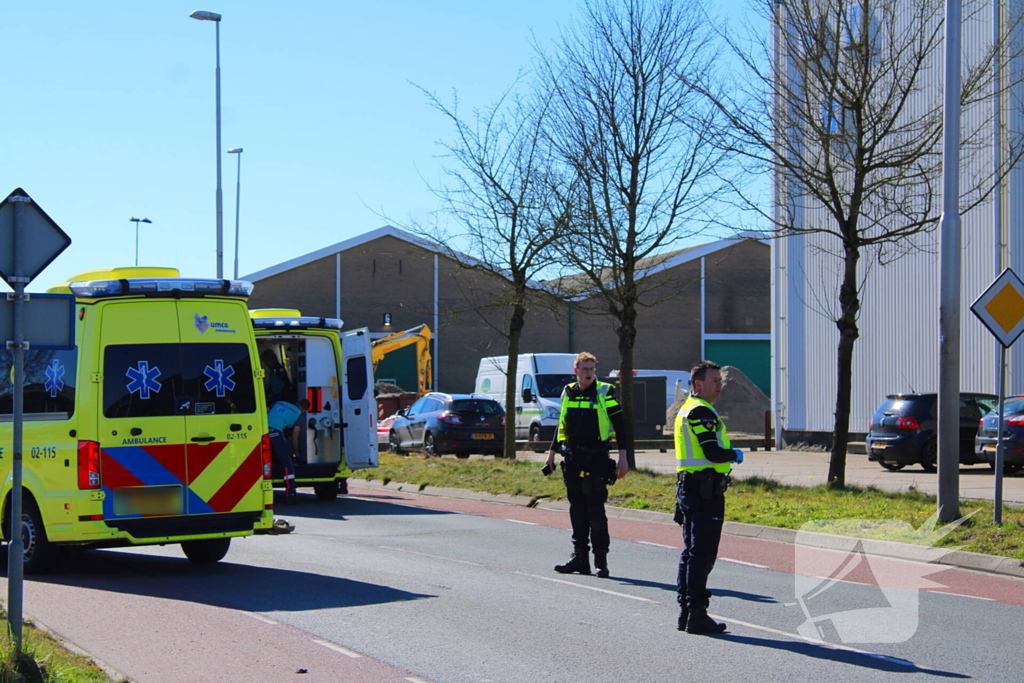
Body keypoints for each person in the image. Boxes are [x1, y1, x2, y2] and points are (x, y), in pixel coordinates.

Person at [545, 352, 629, 578]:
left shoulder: (606, 392)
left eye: (592, 369)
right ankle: (580, 558)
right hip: (572, 458)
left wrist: (624, 457)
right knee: (577, 510)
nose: (589, 373)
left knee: (596, 511)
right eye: (585, 369)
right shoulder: (568, 392)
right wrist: (551, 454)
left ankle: (601, 560)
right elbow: (561, 425)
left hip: (598, 458)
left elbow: (621, 426)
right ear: (576, 371)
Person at [674, 360, 743, 634]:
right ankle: (697, 614)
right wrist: (734, 455)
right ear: (698, 384)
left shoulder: (688, 409)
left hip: (691, 487)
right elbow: (712, 452)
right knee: (702, 554)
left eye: (720, 380)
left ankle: (686, 612)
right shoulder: (701, 412)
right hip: (703, 491)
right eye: (714, 380)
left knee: (691, 553)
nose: (719, 384)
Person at [268, 398, 310, 504]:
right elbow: (295, 438)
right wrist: (296, 453)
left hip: (261, 431)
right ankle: (290, 493)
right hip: (276, 434)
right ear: (305, 410)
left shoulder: (280, 402)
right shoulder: (299, 414)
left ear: (296, 403)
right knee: (287, 464)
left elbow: (267, 409)